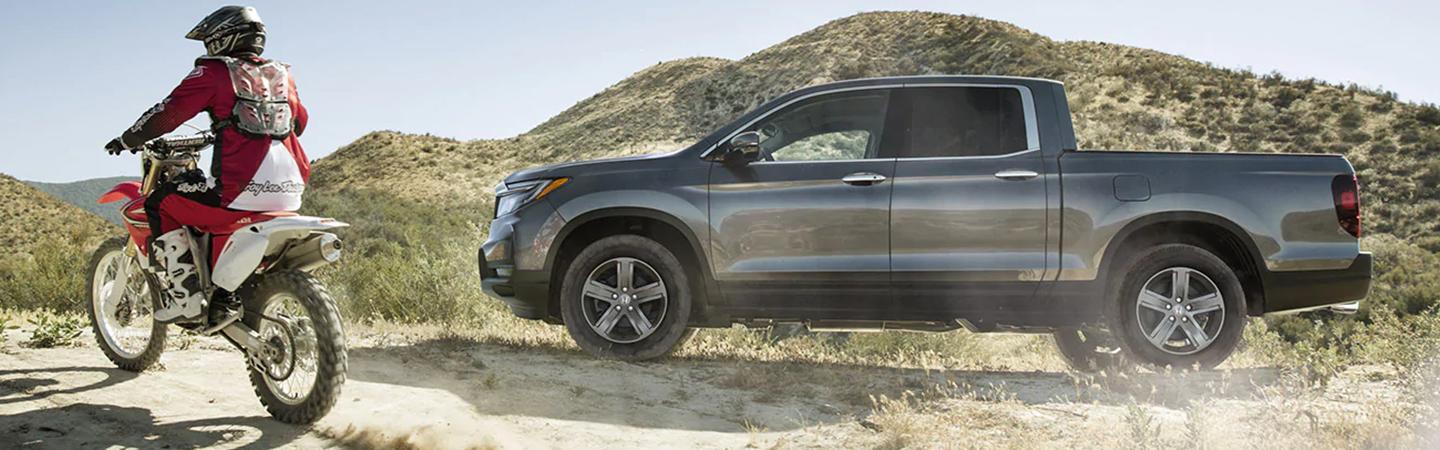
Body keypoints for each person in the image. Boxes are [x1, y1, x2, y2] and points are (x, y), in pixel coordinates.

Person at [104, 5, 310, 326]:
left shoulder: (214, 71)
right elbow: (300, 123)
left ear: (222, 38)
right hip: (292, 191)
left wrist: (127, 139)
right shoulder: (282, 74)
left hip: (238, 192)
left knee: (160, 203)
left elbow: (168, 113)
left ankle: (186, 299)